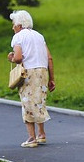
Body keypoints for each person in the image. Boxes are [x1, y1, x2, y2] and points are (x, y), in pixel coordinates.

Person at [7, 10, 55, 148]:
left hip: (29, 73)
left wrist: (11, 58)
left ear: (19, 25)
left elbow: (18, 58)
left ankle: (31, 138)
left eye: (13, 24)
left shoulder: (18, 37)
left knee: (27, 103)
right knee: (39, 102)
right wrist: (52, 79)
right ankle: (41, 134)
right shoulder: (39, 36)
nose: (12, 28)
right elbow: (49, 58)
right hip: (42, 71)